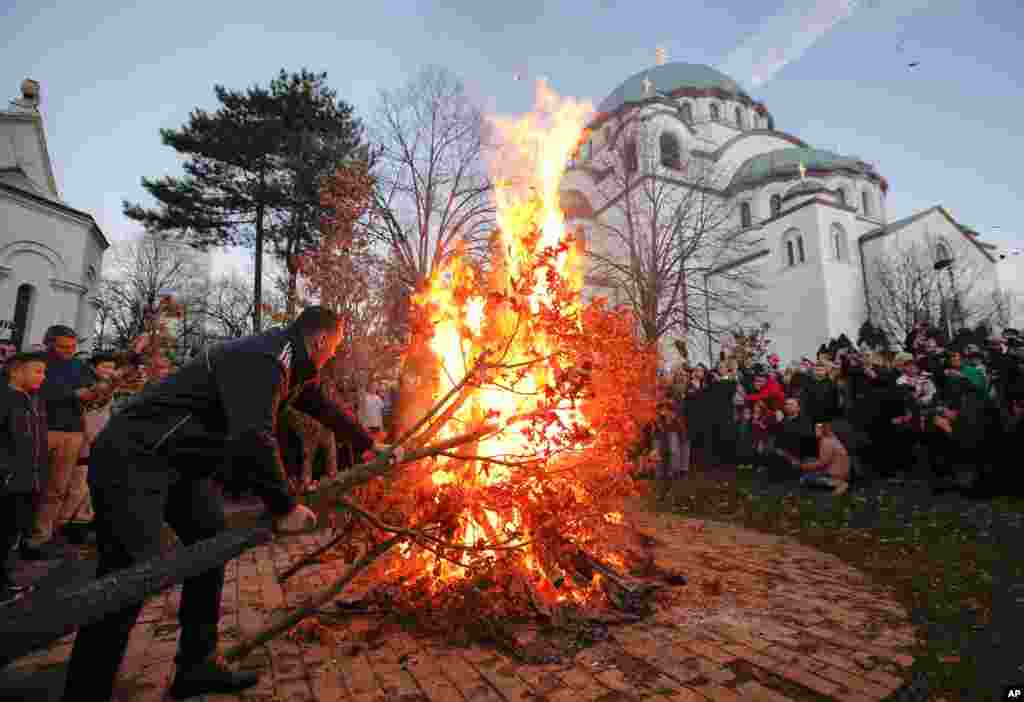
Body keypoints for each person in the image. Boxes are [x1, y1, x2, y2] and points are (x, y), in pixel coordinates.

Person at [61, 307, 391, 702]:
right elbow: (253, 436)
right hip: (135, 455)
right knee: (130, 569)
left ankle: (196, 665)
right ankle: (85, 690)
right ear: (321, 340)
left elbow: (322, 406)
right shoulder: (265, 359)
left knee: (208, 539)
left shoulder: (292, 364)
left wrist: (369, 445)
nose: (334, 355)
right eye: (334, 348)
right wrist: (284, 506)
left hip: (180, 463)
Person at [23, 325, 107, 560]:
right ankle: (17, 537)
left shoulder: (80, 366)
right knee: (29, 485)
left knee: (57, 488)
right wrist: (73, 394)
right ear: (47, 343)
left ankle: (39, 539)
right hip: (40, 429)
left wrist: (101, 389)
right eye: (63, 347)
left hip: (72, 432)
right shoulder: (34, 362)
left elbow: (94, 390)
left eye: (72, 347)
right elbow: (36, 389)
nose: (69, 351)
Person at [0, 352, 48, 605]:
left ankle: (5, 580)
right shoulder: (6, 399)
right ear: (17, 371)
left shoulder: (35, 400)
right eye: (38, 371)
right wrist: (6, 471)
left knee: (13, 535)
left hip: (31, 481)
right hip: (9, 483)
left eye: (44, 372)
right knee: (4, 533)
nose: (43, 377)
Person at [794, 422, 850, 495]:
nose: (815, 430)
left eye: (818, 428)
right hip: (841, 473)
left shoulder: (825, 441)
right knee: (809, 461)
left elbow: (822, 464)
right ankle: (836, 483)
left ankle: (837, 484)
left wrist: (802, 466)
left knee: (804, 479)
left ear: (824, 429)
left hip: (836, 475)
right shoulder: (834, 439)